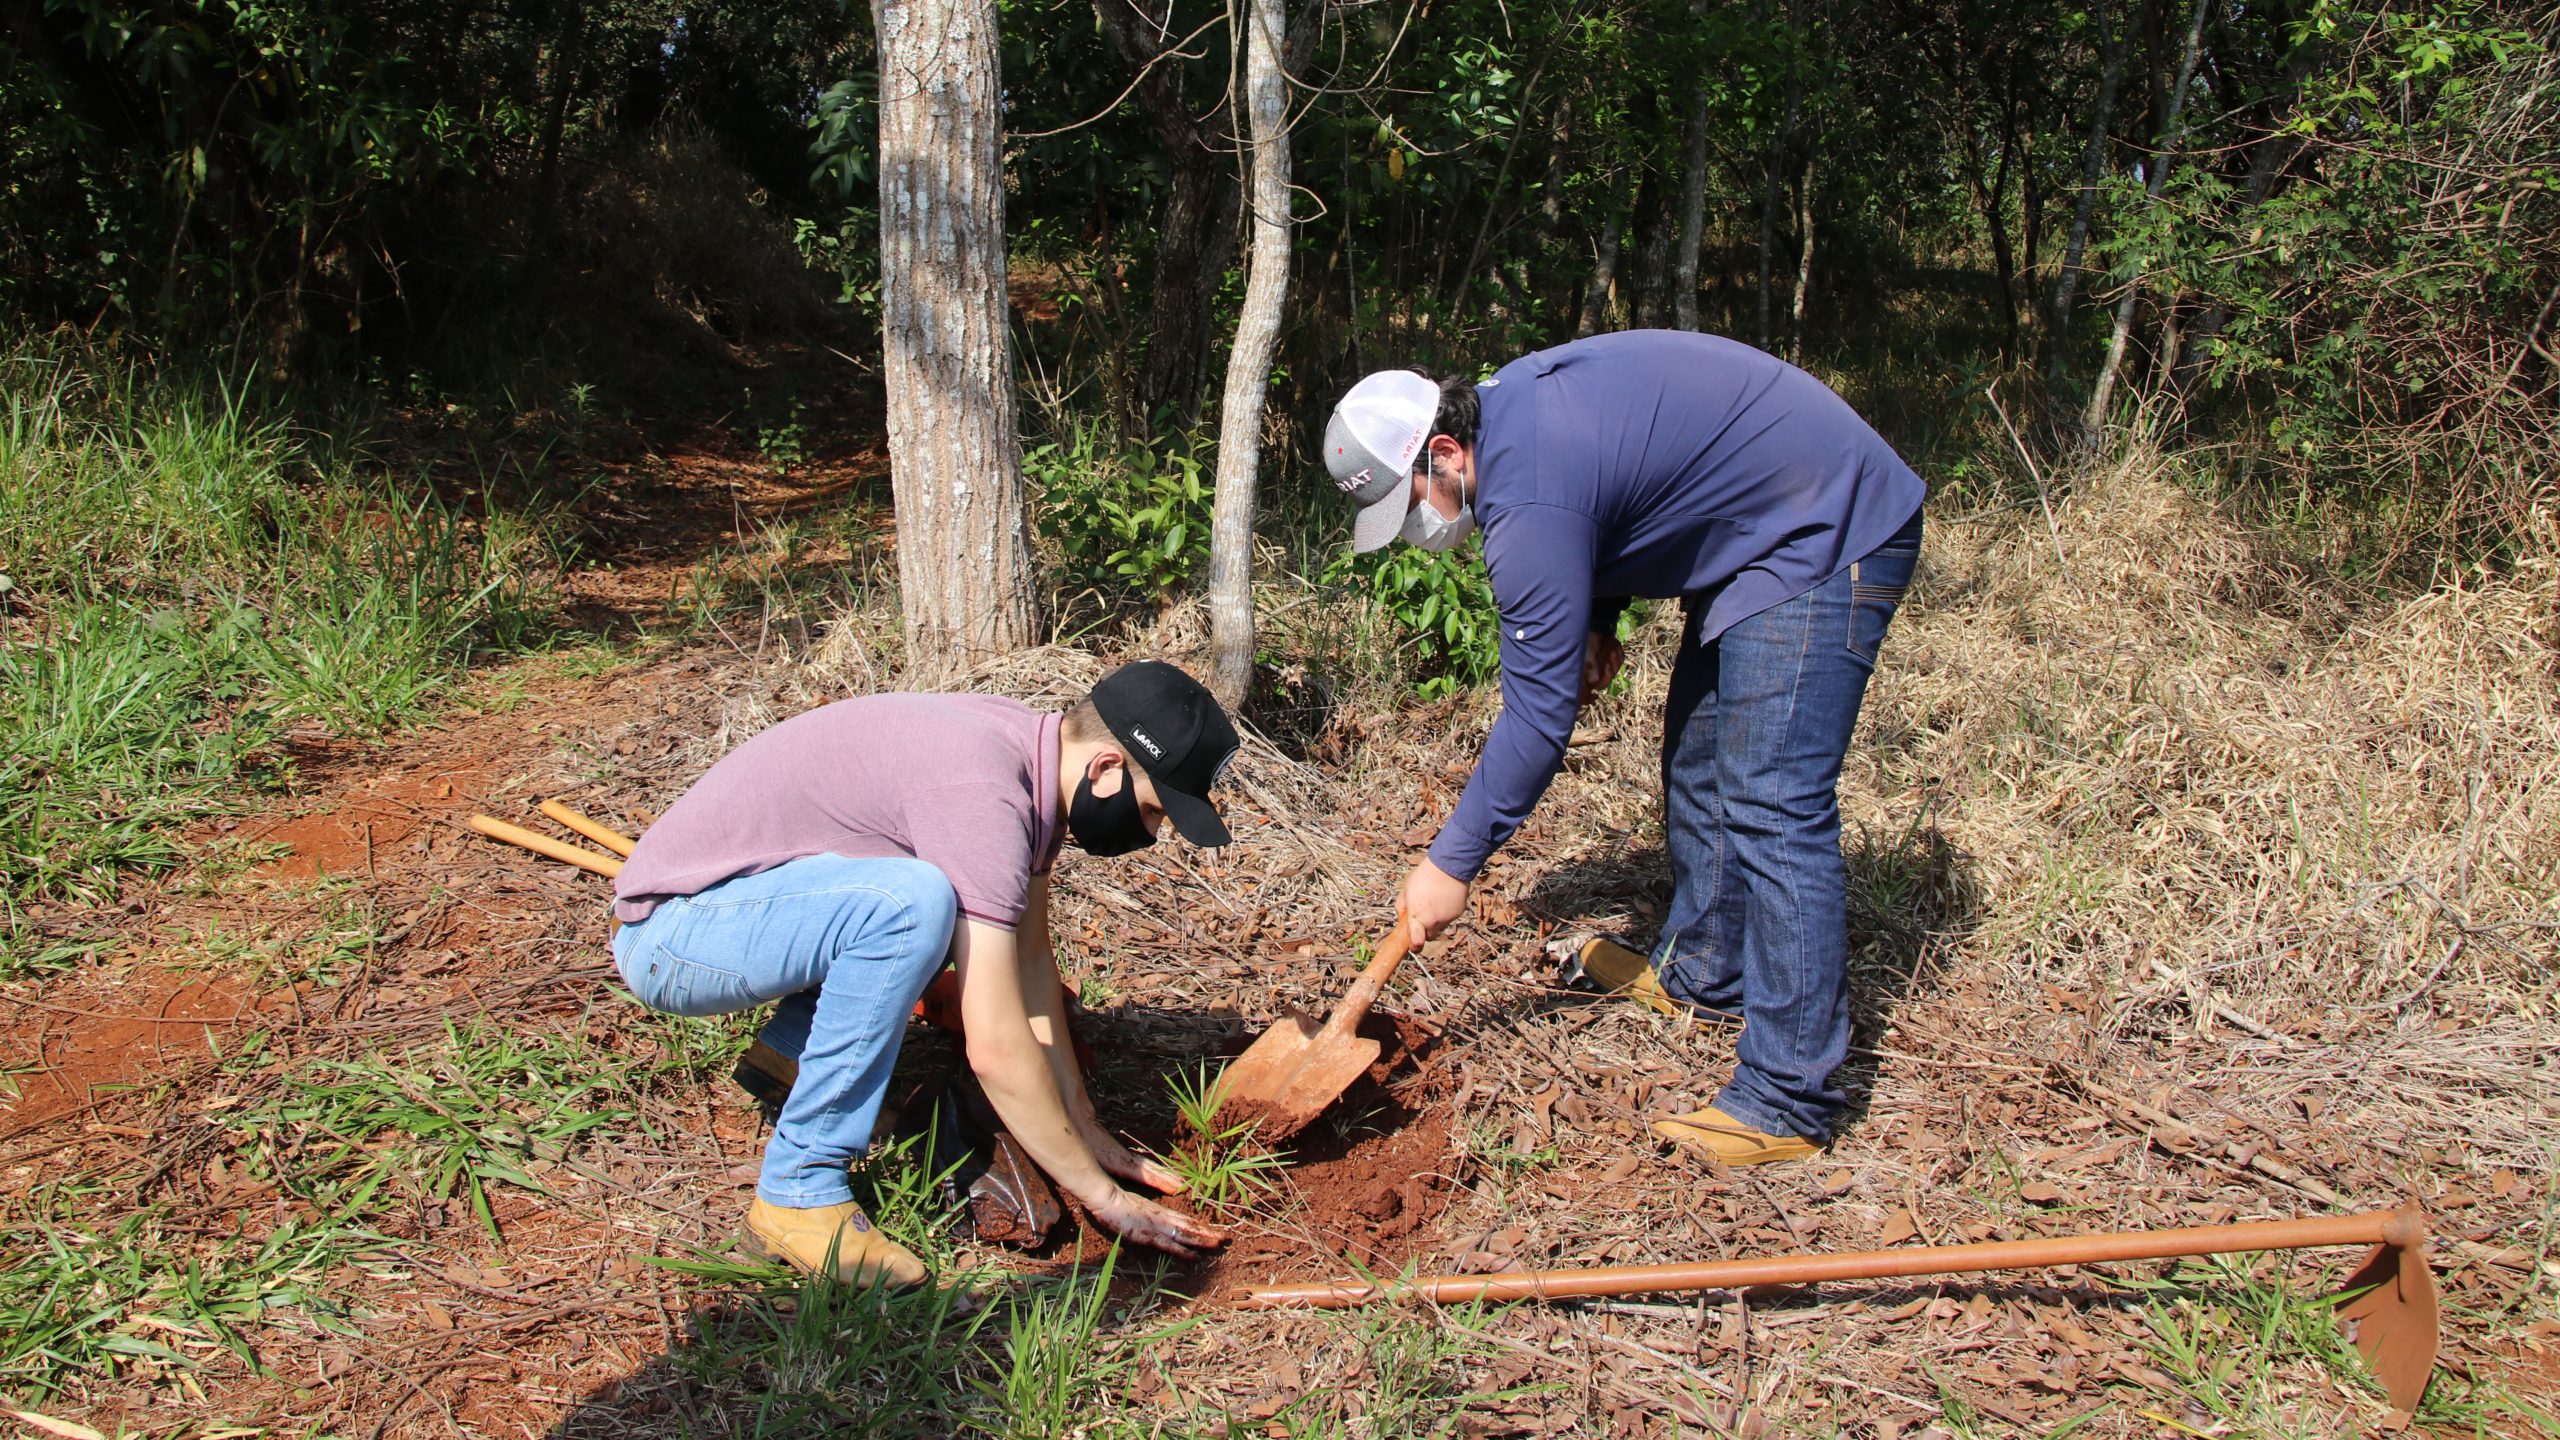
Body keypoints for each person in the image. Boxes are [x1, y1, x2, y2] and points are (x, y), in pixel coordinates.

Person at [1324, 330, 1926, 1167]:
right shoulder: (1512, 416)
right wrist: (1598, 621)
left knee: (1771, 799)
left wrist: (1451, 863)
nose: (1420, 523)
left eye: (1415, 495)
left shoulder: (1526, 499)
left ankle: (1790, 1097)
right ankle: (1708, 975)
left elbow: (1536, 723)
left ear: (1448, 448)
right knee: (1702, 762)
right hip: (1764, 525)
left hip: (1823, 528)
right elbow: (1618, 478)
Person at [608, 660, 1237, 1282]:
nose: (1151, 833)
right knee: (912, 907)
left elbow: (1028, 961)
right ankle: (799, 1190)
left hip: (747, 912)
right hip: (676, 936)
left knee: (954, 916)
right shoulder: (983, 795)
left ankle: (789, 1057)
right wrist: (1107, 1201)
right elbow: (994, 1044)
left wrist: (1086, 1127)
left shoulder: (1026, 750)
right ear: (1106, 770)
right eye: (1156, 811)